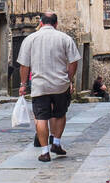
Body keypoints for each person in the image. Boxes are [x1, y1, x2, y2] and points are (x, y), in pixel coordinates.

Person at [17, 12, 80, 162]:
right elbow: (74, 62)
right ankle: (56, 143)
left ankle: (45, 151)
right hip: (60, 85)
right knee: (60, 114)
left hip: (40, 86)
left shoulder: (30, 39)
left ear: (40, 23)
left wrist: (23, 84)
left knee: (40, 118)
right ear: (56, 24)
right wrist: (69, 79)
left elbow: (24, 65)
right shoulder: (65, 38)